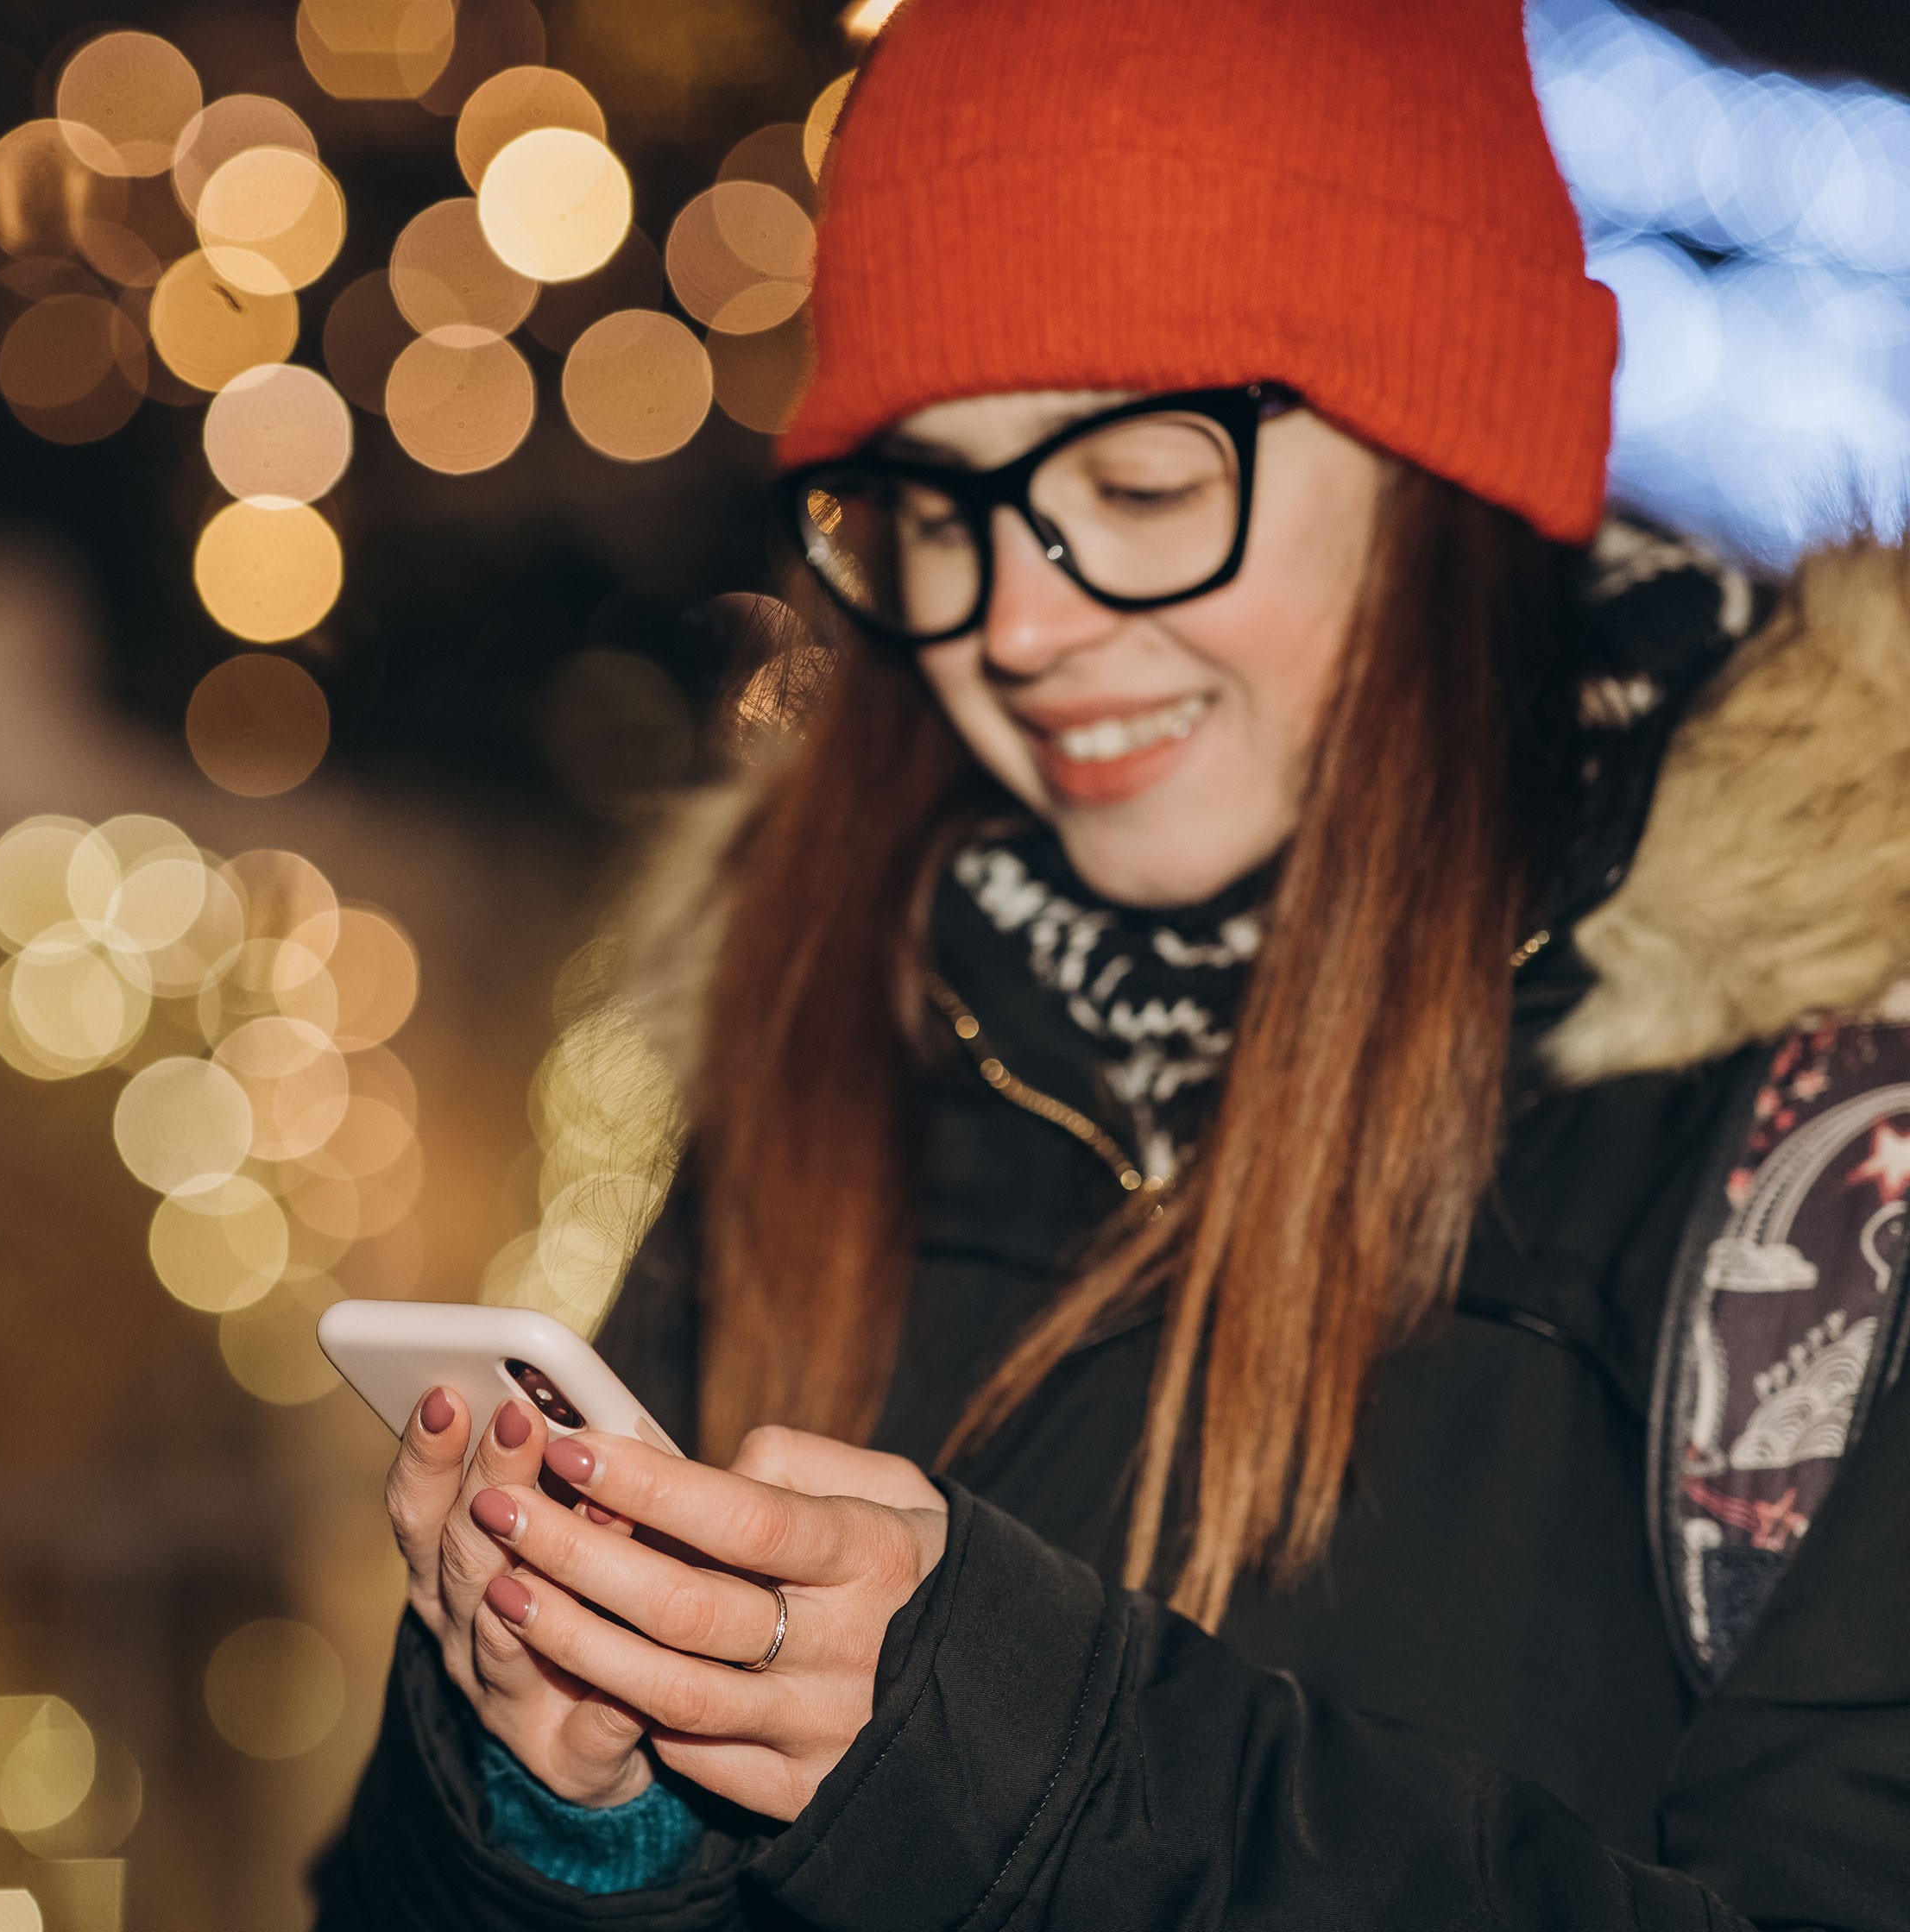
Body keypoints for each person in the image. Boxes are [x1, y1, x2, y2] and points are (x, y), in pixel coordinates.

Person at [312, 1, 1910, 1926]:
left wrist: (1035, 1768)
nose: (1023, 626)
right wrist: (563, 1810)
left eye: (1144, 489)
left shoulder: (1826, 1136)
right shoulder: (851, 997)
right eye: (937, 510)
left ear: (1450, 458)